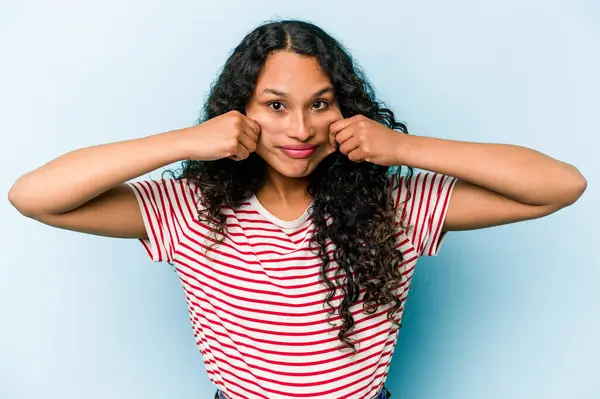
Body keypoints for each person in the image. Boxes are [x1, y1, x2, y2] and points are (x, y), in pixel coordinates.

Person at [8, 19, 586, 399]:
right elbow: (33, 197)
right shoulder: (188, 209)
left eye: (320, 104)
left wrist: (402, 147)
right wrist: (185, 141)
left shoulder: (397, 206)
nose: (301, 128)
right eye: (276, 106)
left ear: (345, 109)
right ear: (240, 111)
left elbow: (558, 185)